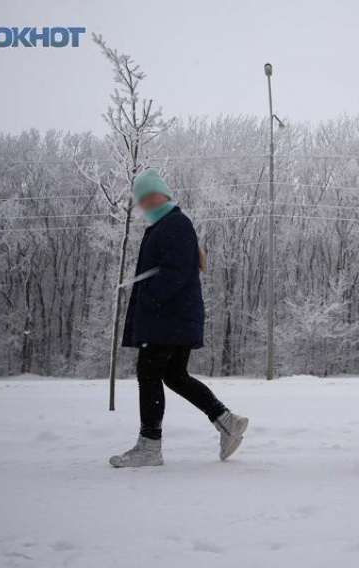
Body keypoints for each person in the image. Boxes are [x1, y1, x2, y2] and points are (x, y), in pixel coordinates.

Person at [109, 169, 249, 468]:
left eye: (150, 196)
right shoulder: (167, 224)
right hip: (173, 317)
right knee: (173, 375)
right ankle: (226, 421)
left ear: (165, 194)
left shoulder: (175, 224)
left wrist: (148, 298)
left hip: (167, 318)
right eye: (141, 200)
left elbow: (174, 272)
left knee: (149, 374)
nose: (146, 203)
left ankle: (149, 446)